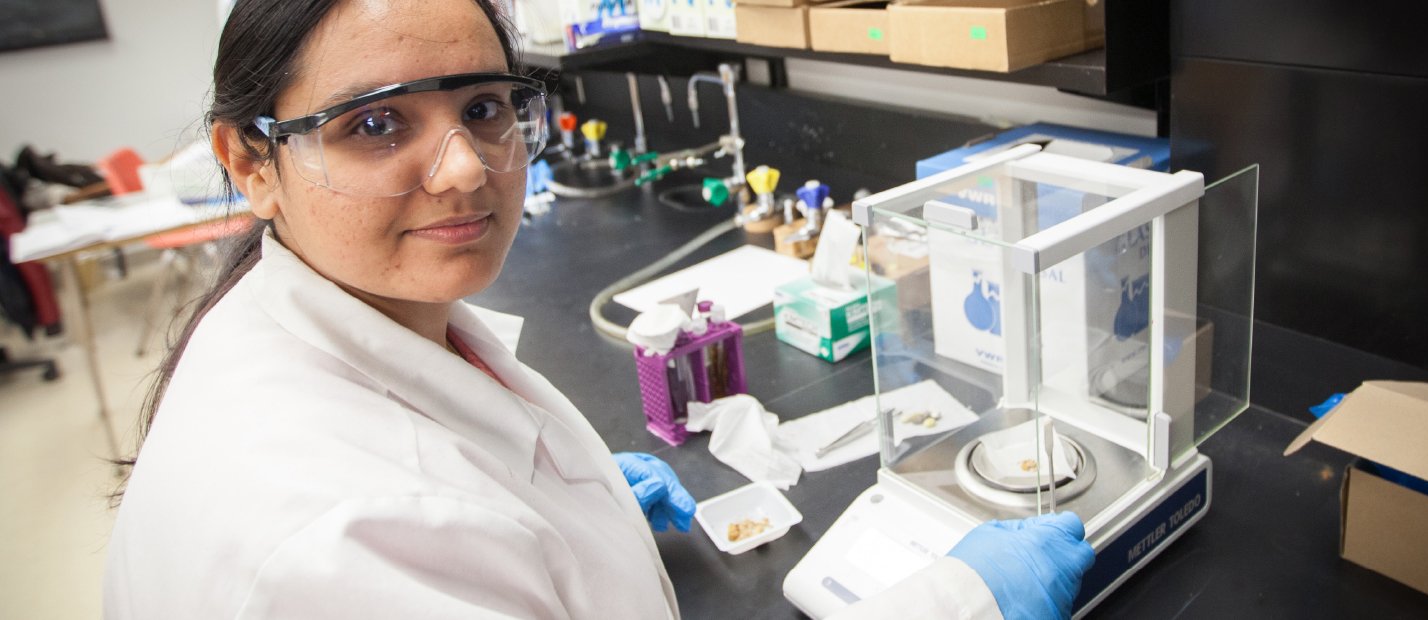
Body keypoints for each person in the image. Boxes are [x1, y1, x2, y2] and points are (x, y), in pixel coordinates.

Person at [103, 0, 1094, 618]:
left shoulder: (297, 325)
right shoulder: (342, 547)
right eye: (375, 123)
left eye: (484, 107)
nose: (463, 169)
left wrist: (561, 511)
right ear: (251, 162)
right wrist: (962, 600)